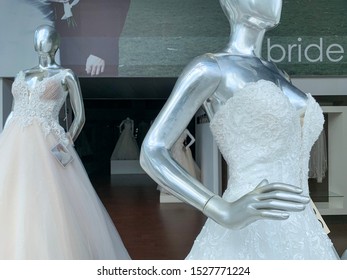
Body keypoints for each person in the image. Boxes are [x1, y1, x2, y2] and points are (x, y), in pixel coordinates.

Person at [140, 0, 340, 259]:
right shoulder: (210, 68)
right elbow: (152, 151)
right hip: (246, 222)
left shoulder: (280, 74)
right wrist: (220, 208)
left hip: (303, 227)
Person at [0, 25, 130, 259]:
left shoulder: (66, 75)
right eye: (38, 38)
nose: (41, 43)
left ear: (56, 43)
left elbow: (80, 116)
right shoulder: (22, 74)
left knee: (50, 198)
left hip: (48, 143)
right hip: (14, 141)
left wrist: (67, 140)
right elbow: (13, 111)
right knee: (12, 194)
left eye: (46, 38)